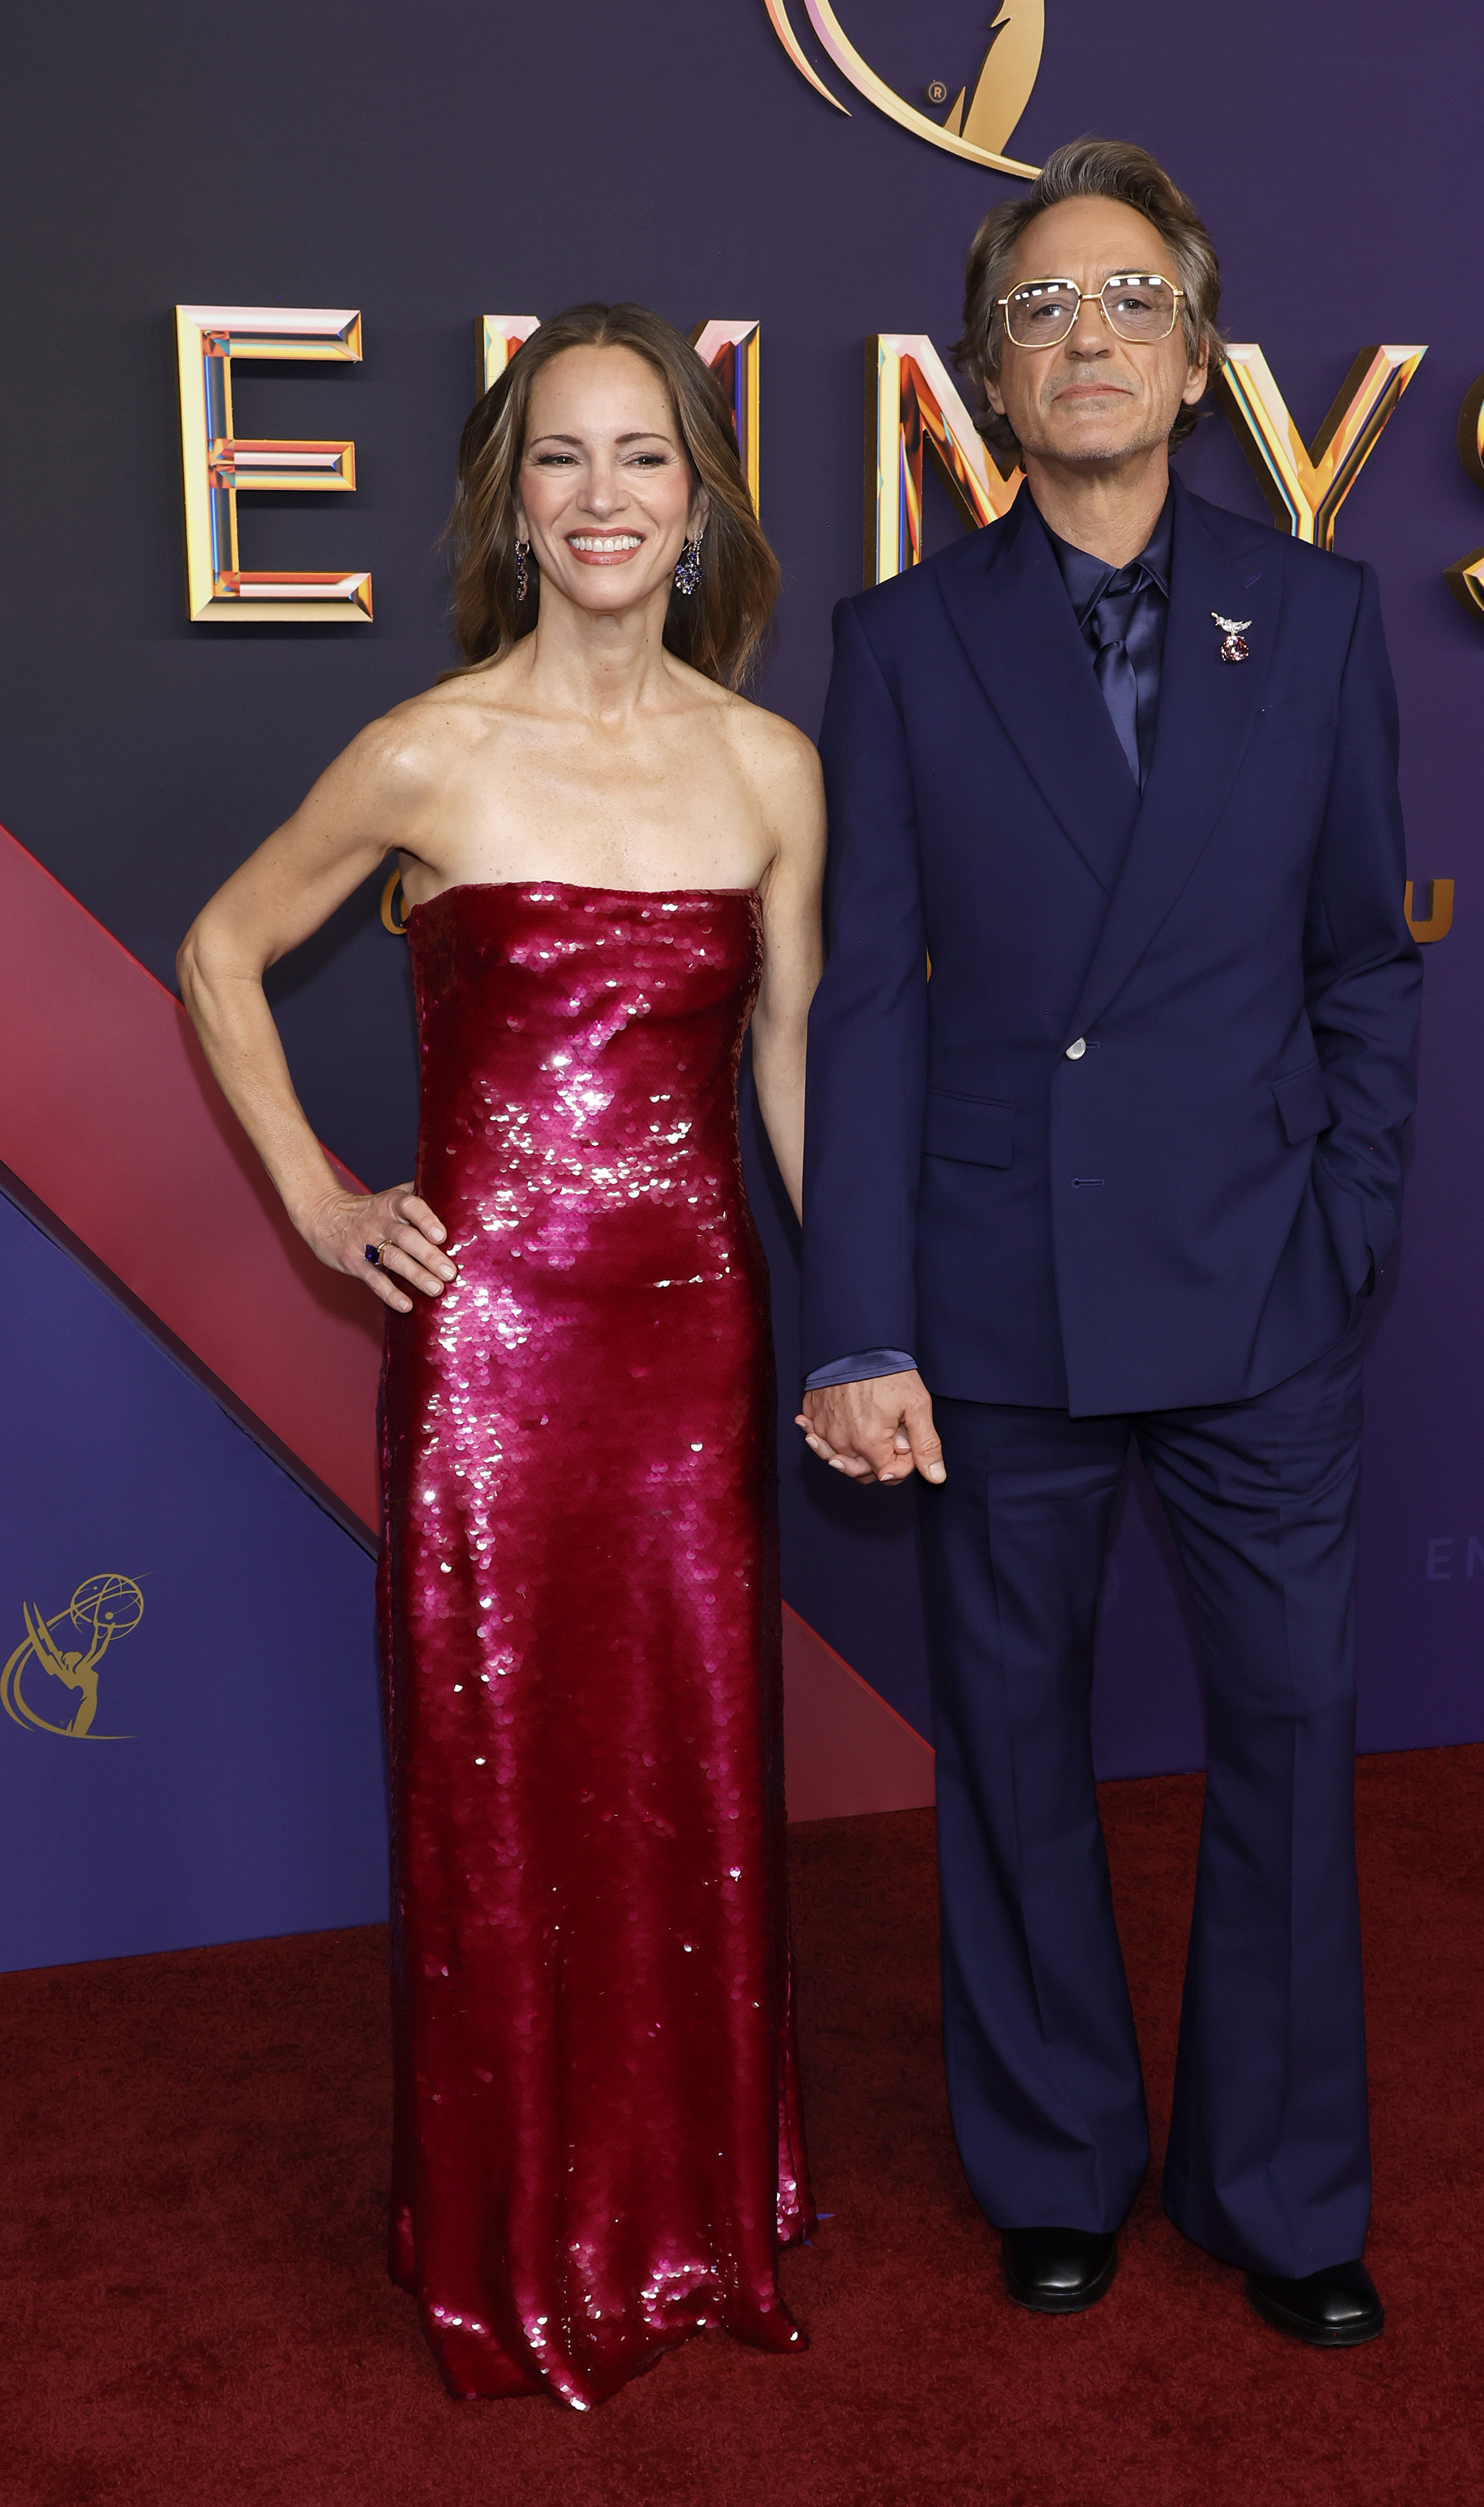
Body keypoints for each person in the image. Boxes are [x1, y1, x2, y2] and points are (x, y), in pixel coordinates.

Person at [797, 139, 1421, 2345]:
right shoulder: (895, 642)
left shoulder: (1320, 619)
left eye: (1129, 302)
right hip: (993, 1296)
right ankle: (1053, 2154)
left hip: (1259, 1281)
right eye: (1045, 308)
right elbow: (864, 994)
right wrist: (856, 1318)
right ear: (986, 366)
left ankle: (1278, 2181)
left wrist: (1345, 1219)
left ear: (1198, 351)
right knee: (1019, 1744)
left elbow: (1368, 960)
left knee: (1290, 1735)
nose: (1088, 341)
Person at [178, 303, 825, 2405]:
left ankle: (700, 2213)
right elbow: (219, 951)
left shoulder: (768, 764)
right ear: (512, 497)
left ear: (701, 492)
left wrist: (879, 1330)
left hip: (692, 1343)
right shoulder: (430, 748)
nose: (609, 496)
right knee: (502, 1785)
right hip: (491, 1357)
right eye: (565, 458)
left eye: (647, 455)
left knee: (694, 1783)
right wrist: (316, 1197)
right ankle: (521, 2225)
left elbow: (792, 1065)